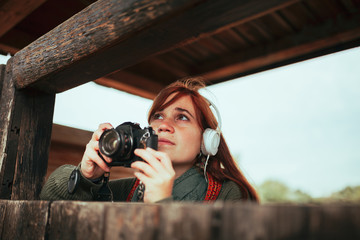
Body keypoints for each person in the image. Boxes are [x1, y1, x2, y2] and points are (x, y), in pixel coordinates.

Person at [40, 78, 259, 203]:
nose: (164, 125)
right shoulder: (127, 190)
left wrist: (161, 205)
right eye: (158, 116)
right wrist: (85, 178)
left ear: (207, 140)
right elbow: (47, 203)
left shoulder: (230, 194)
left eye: (182, 117)